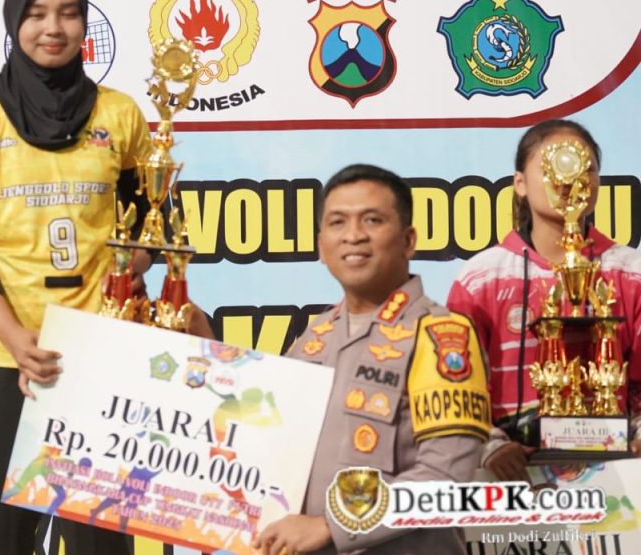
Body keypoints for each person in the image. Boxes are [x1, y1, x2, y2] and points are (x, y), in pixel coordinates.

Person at [0, 0, 153, 552]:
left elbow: (154, 226)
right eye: (36, 14)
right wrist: (15, 340)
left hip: (99, 355)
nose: (53, 28)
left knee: (99, 541)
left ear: (85, 24)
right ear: (14, 22)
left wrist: (127, 279)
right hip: (3, 356)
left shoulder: (121, 114)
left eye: (69, 13)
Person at [254, 165, 489, 554]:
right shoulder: (313, 339)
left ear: (408, 241)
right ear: (321, 246)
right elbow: (263, 437)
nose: (354, 235)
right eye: (338, 222)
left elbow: (446, 480)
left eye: (372, 220)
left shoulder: (441, 335)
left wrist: (332, 525)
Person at [447, 119, 641, 482]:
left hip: (619, 479)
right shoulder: (480, 278)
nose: (570, 178)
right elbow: (455, 384)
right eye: (553, 164)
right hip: (510, 479)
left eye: (586, 167)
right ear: (519, 183)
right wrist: (489, 444)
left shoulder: (631, 272)